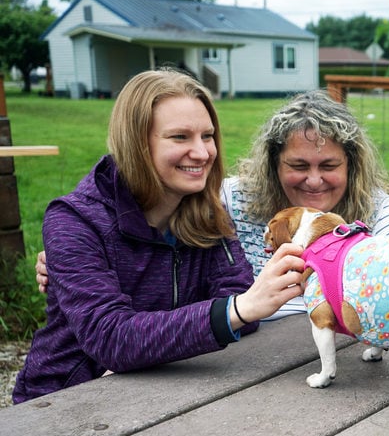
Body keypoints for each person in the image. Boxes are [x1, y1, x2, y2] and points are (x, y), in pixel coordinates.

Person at [14, 69, 304, 403]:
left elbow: (236, 293)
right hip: (67, 401)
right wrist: (234, 311)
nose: (202, 152)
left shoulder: (206, 212)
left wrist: (145, 350)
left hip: (167, 388)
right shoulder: (74, 220)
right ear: (136, 143)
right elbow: (111, 338)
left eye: (207, 136)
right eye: (180, 137)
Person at [36, 89, 389, 320]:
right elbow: (152, 227)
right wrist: (69, 255)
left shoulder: (374, 209)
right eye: (298, 166)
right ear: (272, 165)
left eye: (329, 166)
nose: (314, 180)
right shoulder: (229, 199)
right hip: (246, 356)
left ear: (352, 165)